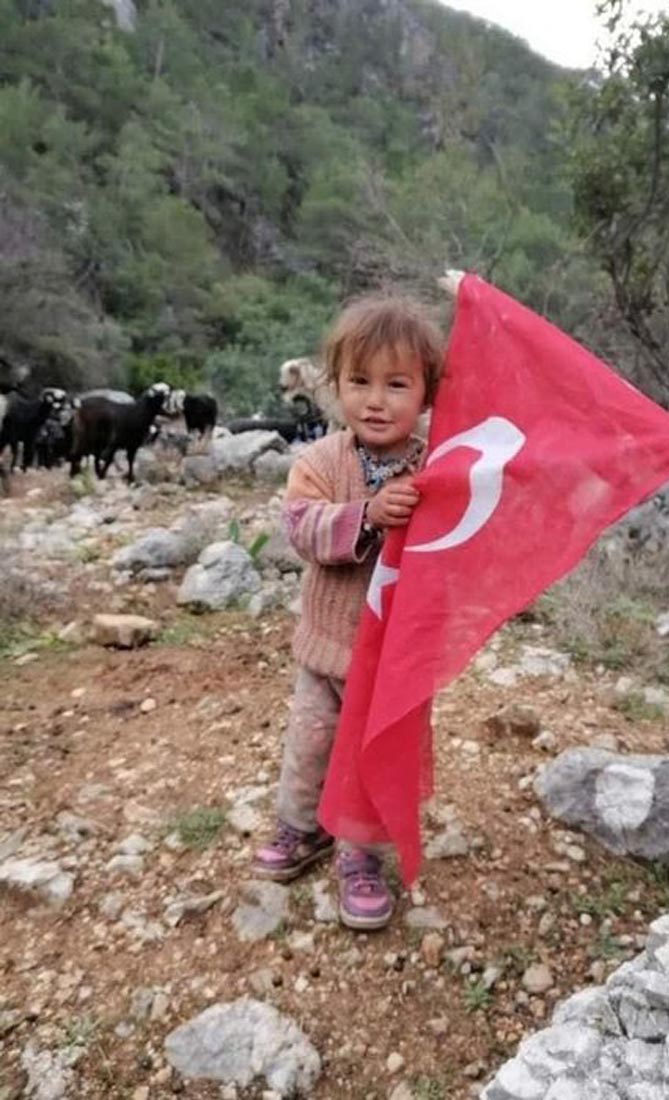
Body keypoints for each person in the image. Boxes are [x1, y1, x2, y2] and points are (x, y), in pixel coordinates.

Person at [254, 294, 444, 930]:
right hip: (326, 647)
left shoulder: (436, 467)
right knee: (309, 746)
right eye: (358, 382)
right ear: (334, 387)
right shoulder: (319, 462)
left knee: (371, 760)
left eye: (397, 385)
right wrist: (365, 516)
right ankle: (302, 829)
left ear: (426, 393)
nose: (375, 400)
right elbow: (301, 529)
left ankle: (359, 855)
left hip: (393, 660)